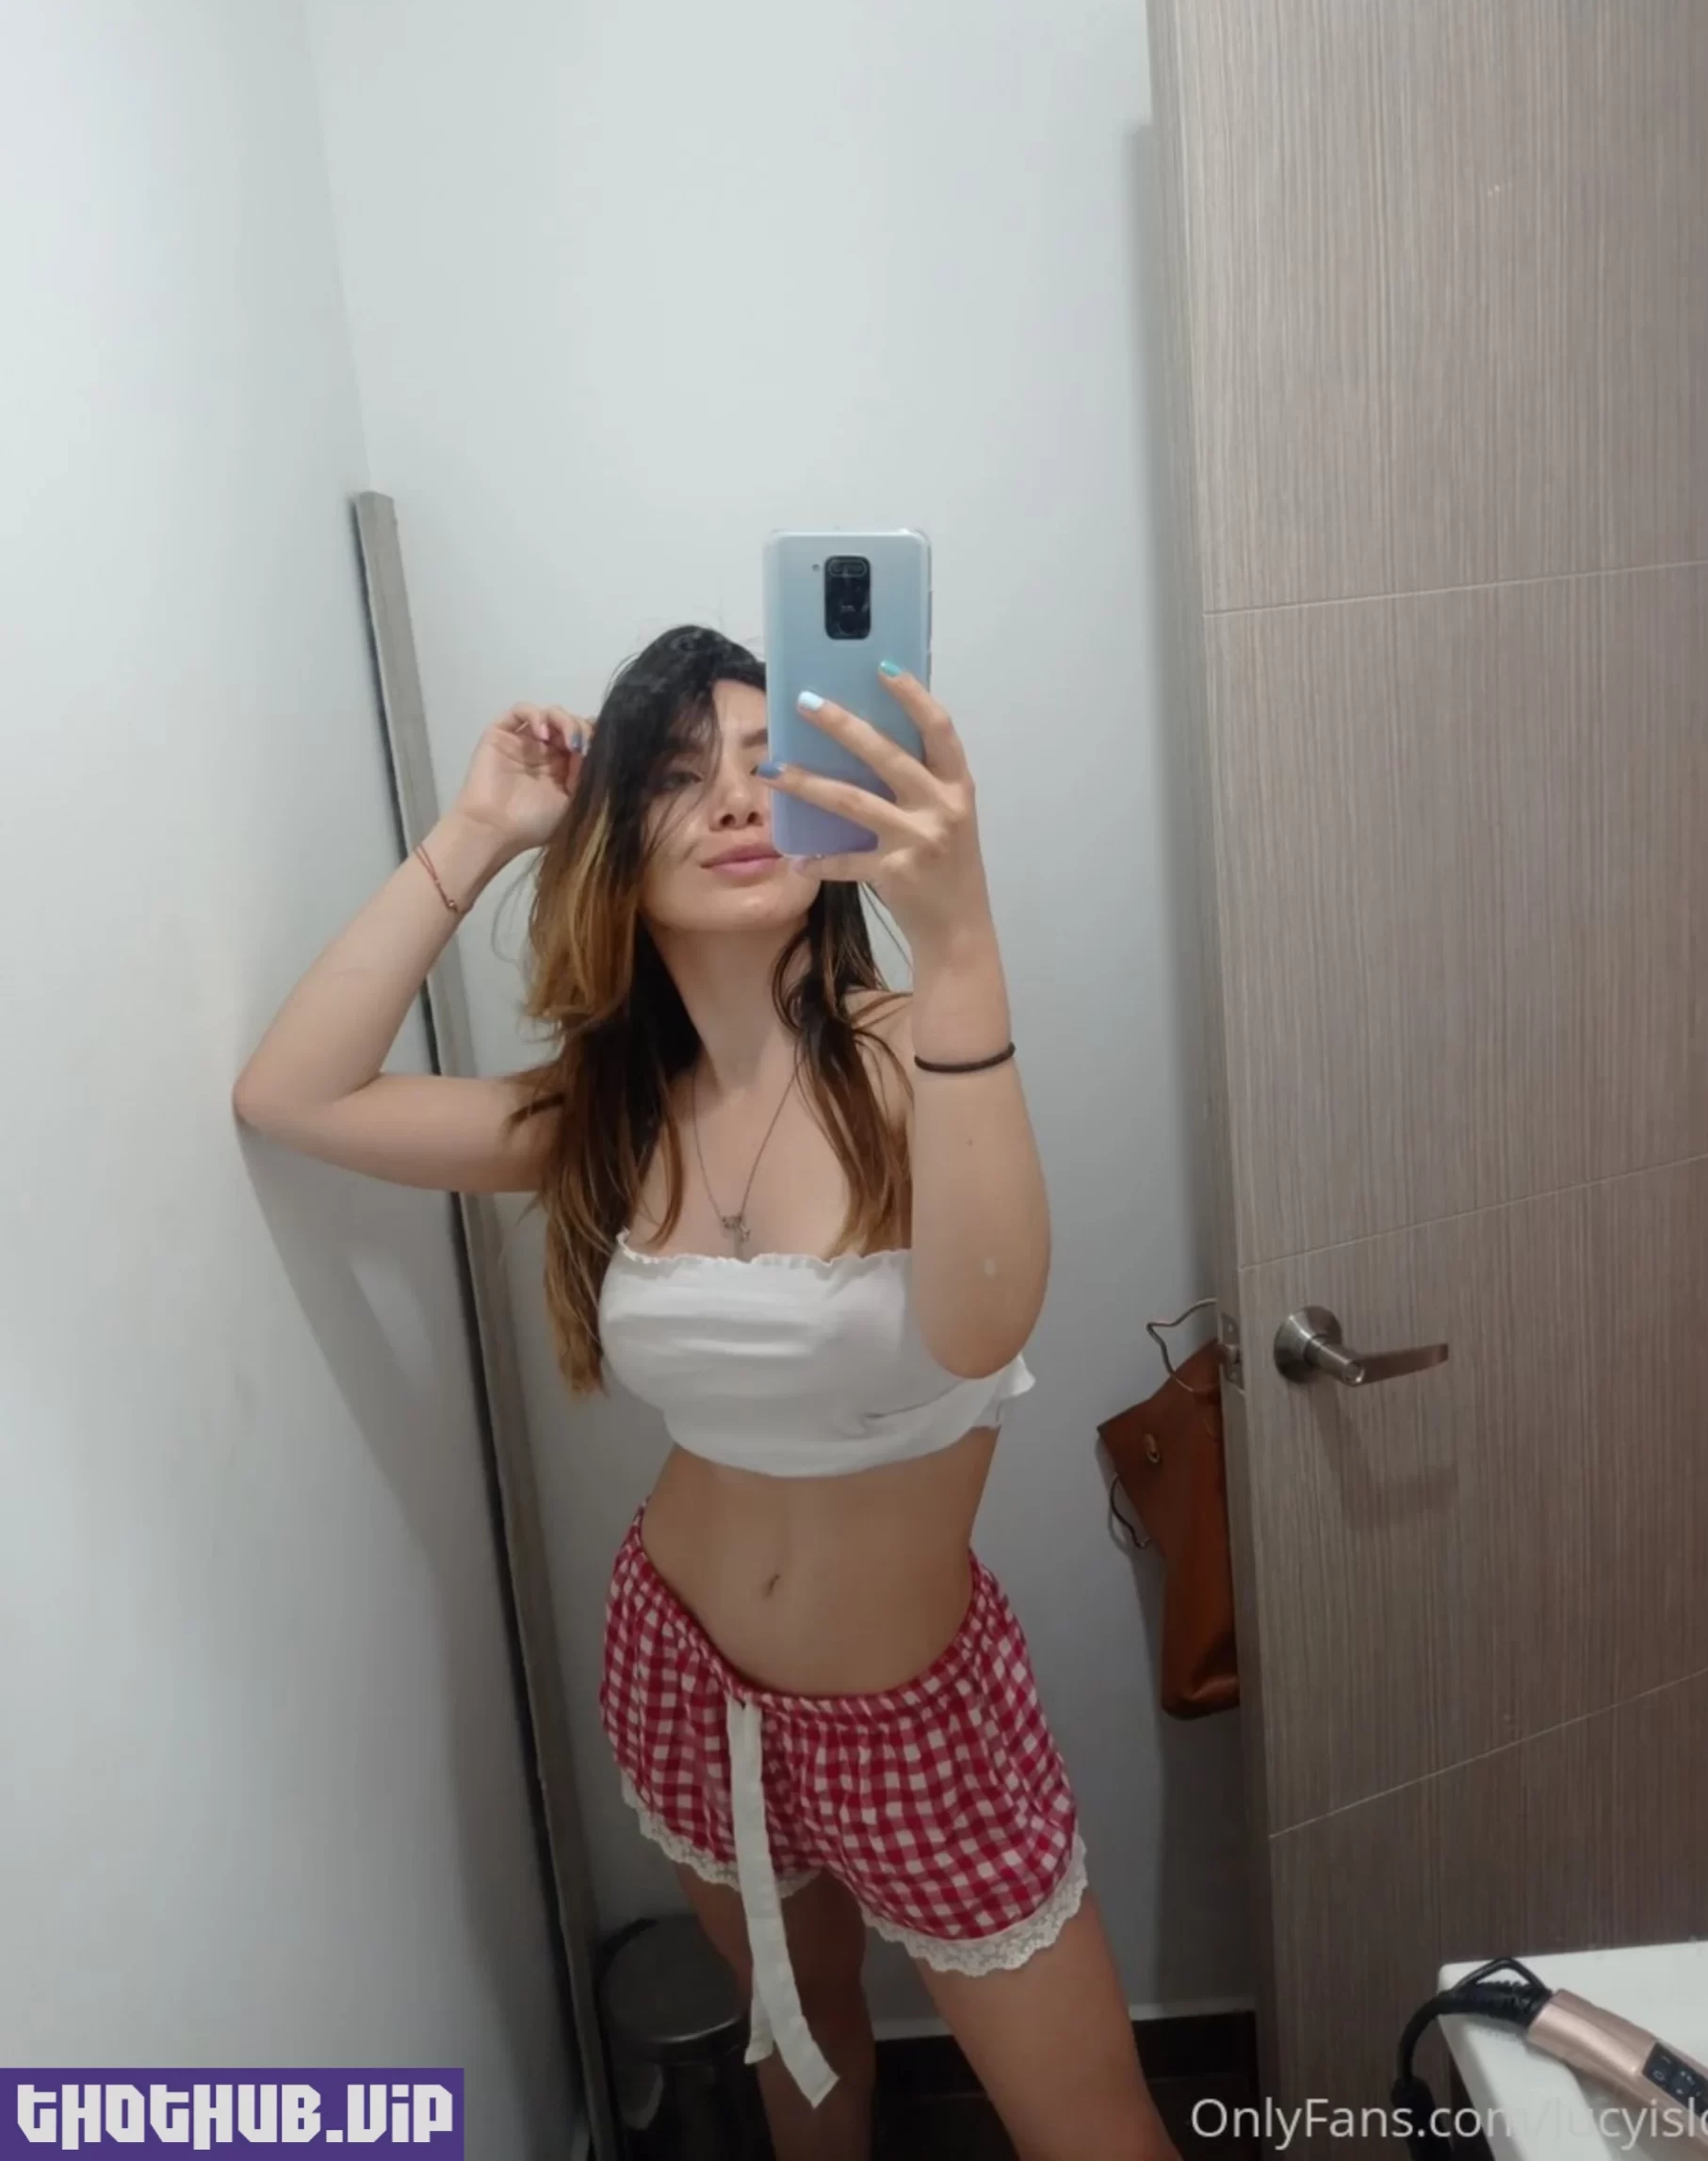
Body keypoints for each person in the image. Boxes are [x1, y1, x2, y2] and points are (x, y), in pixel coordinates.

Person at [235, 625, 1178, 2161]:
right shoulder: (606, 1111)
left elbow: (978, 1327)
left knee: (1089, 2126)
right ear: (615, 841)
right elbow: (295, 1095)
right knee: (797, 2047)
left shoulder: (918, 1054)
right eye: (678, 776)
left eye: (768, 765)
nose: (736, 800)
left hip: (910, 1717)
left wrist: (957, 935)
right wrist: (477, 831)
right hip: (681, 1671)